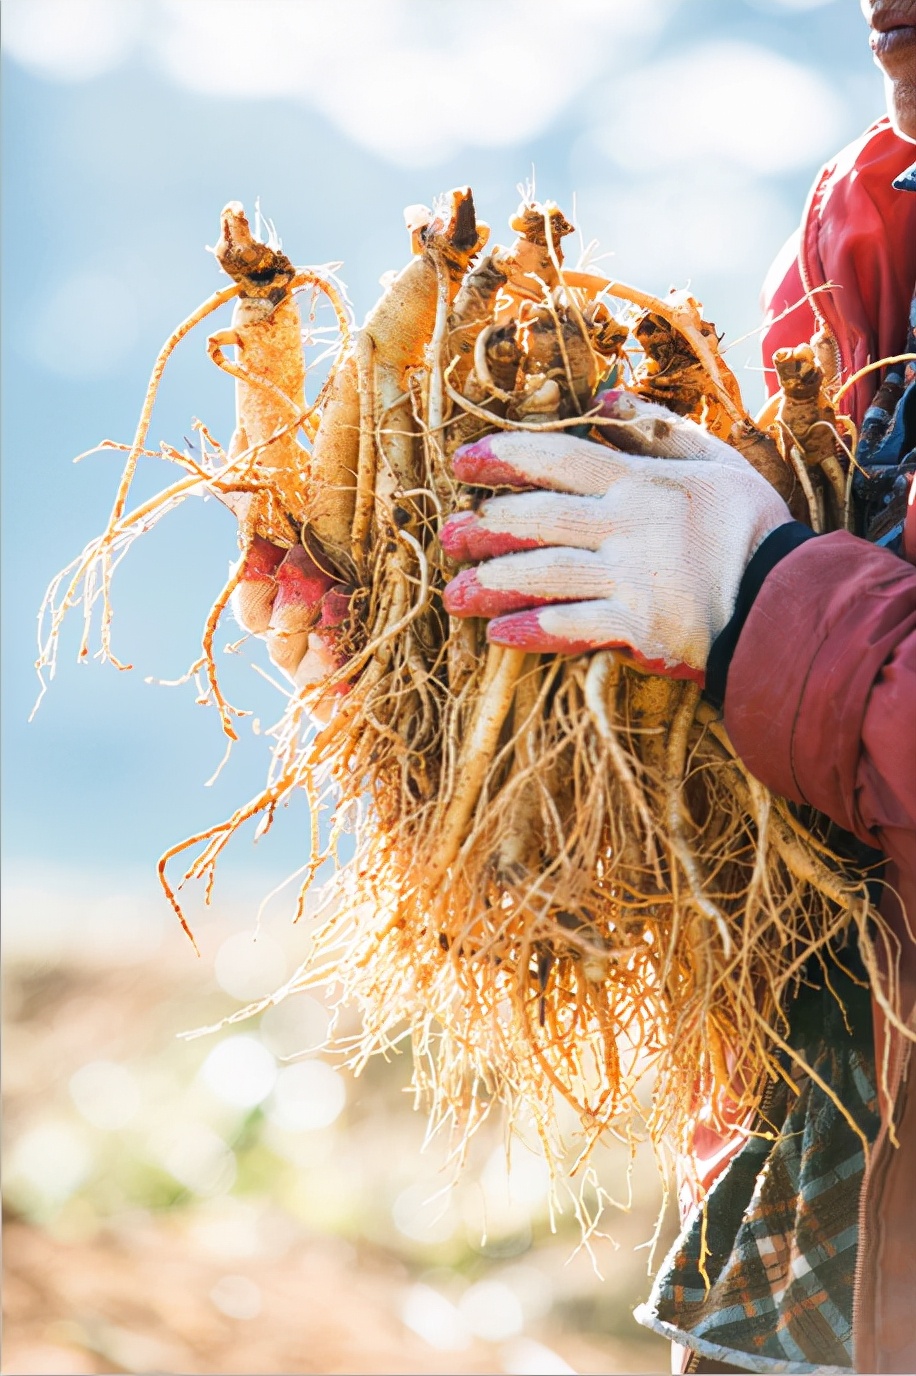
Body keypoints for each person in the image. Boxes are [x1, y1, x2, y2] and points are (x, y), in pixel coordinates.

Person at [234, 2, 916, 1370]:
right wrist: (454, 688)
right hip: (821, 1189)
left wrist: (759, 595)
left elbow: (782, 618)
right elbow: (780, 786)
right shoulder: (871, 224)